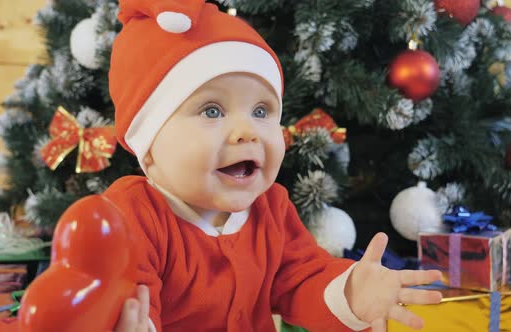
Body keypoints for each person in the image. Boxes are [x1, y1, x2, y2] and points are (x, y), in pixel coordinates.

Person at [106, 1, 442, 331]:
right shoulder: (133, 216)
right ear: (147, 145)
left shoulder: (271, 208)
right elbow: (130, 300)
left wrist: (351, 294)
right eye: (212, 111)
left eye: (261, 111)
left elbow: (302, 280)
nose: (247, 132)